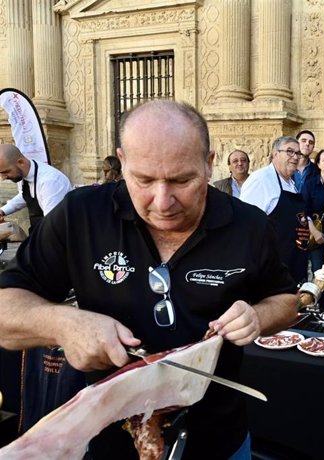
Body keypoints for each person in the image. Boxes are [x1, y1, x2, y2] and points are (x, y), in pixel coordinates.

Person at [0, 100, 298, 459]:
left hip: (219, 438)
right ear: (122, 161)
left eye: (182, 180)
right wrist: (61, 323)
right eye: (143, 180)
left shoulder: (249, 226)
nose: (163, 201)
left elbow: (286, 302)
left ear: (208, 163)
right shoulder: (81, 215)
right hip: (106, 441)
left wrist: (258, 317)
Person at [241, 136, 310, 284]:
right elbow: (245, 224)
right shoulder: (261, 179)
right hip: (271, 267)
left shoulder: (291, 183)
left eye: (298, 153)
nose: (295, 157)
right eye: (290, 152)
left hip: (294, 263)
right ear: (275, 154)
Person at [0, 144, 72, 232]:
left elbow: (52, 223)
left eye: (6, 172)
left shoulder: (50, 181)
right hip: (39, 231)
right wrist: (2, 211)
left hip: (54, 235)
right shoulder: (21, 174)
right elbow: (26, 195)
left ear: (21, 163)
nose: (3, 178)